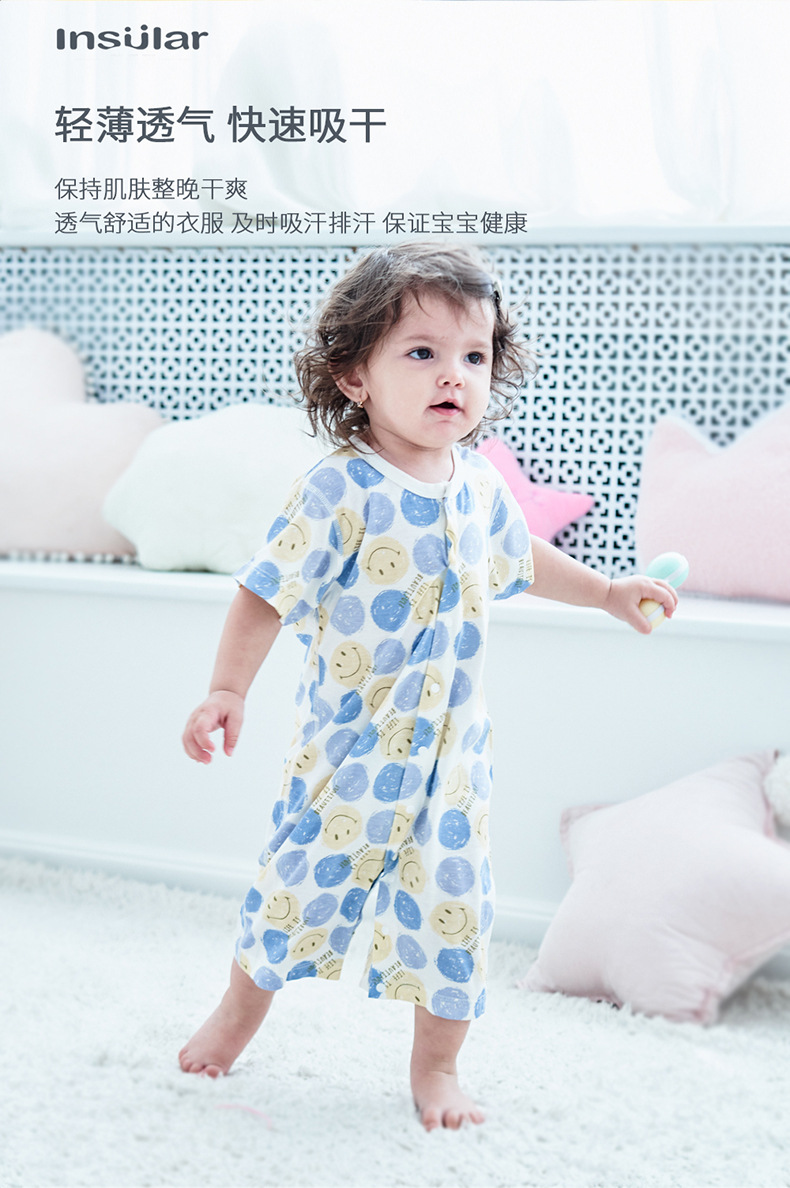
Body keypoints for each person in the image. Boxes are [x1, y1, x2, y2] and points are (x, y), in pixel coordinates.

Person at [179, 243, 678, 1130]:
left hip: (452, 767)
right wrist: (227, 689)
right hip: (350, 757)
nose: (455, 375)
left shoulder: (477, 484)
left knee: (454, 916)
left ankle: (438, 1068)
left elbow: (522, 557)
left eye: (474, 357)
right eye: (422, 352)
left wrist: (606, 592)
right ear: (354, 376)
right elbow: (266, 590)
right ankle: (233, 1018)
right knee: (296, 891)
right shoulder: (340, 487)